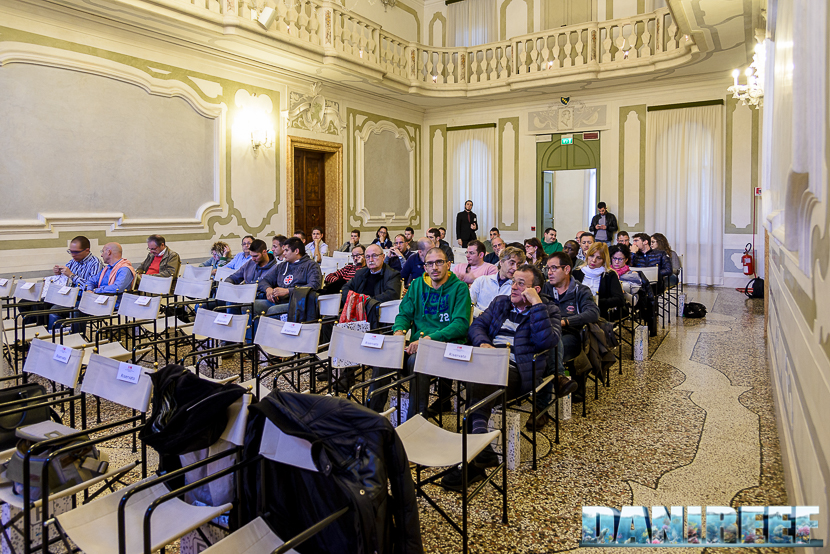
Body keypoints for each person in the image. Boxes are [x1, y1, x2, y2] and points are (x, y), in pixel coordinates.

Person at [440, 263, 566, 490]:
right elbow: (477, 326)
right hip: (487, 364)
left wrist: (537, 305)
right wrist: (483, 343)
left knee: (477, 384)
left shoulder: (550, 310)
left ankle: (473, 458)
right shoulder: (501, 302)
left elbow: (547, 341)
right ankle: (477, 456)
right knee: (478, 378)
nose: (513, 287)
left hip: (519, 372)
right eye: (513, 281)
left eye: (521, 284)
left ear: (535, 290)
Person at [392, 247, 471, 418]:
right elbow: (404, 314)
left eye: (439, 262)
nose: (434, 267)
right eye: (430, 263)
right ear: (425, 267)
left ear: (448, 265)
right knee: (385, 354)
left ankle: (415, 418)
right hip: (417, 345)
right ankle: (373, 416)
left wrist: (429, 339)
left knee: (417, 360)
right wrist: (399, 332)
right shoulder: (417, 285)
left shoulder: (460, 288)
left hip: (446, 348)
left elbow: (460, 325)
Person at [542, 252, 599, 403]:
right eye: (548, 268)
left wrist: (565, 321)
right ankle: (558, 381)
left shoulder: (580, 290)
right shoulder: (545, 288)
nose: (549, 272)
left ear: (566, 269)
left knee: (551, 347)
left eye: (554, 268)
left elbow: (593, 313)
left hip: (571, 335)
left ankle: (544, 401)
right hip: (547, 333)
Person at [259, 237, 323, 315]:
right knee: (252, 306)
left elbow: (314, 286)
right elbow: (263, 280)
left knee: (273, 311)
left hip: (298, 304)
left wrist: (288, 291)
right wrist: (268, 289)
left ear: (296, 251)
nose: (284, 253)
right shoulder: (282, 266)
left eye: (286, 250)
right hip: (278, 301)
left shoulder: (311, 265)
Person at [572, 242, 625, 320]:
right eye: (591, 256)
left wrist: (596, 301)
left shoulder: (609, 275)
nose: (593, 260)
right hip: (577, 312)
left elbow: (619, 299)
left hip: (600, 315)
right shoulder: (577, 272)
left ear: (604, 260)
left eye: (599, 258)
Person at [225, 239, 278, 314]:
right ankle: (234, 321)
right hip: (246, 294)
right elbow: (234, 277)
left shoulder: (276, 267)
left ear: (264, 252)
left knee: (247, 306)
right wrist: (228, 284)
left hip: (262, 297)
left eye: (255, 256)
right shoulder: (250, 263)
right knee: (231, 300)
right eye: (251, 256)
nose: (253, 259)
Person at [469, 246, 525, 317]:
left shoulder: (518, 288)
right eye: (511, 263)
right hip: (478, 319)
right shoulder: (481, 281)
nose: (515, 268)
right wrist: (481, 314)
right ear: (501, 262)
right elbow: (468, 304)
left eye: (518, 265)